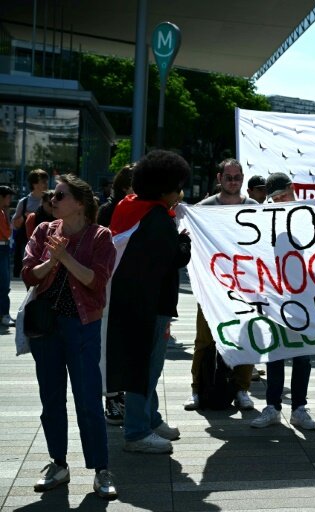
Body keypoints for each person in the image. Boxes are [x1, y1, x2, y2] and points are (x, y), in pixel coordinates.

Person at [22, 174, 118, 499]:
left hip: (82, 325)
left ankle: (101, 469)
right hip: (46, 327)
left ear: (79, 203)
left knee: (88, 398)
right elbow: (27, 273)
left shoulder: (100, 237)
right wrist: (52, 260)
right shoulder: (43, 231)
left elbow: (96, 280)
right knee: (51, 398)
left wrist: (65, 258)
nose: (53, 199)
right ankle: (58, 463)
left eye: (60, 195)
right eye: (53, 195)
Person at [106, 150, 191, 454]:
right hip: (151, 306)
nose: (179, 192)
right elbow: (173, 259)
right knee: (146, 369)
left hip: (128, 302)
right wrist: (184, 242)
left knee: (144, 365)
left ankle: (150, 419)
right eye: (176, 185)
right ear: (163, 186)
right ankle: (137, 431)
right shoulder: (156, 218)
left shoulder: (129, 208)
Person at [183, 158, 255, 412]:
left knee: (246, 337)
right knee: (204, 339)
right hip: (212, 287)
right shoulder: (204, 208)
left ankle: (242, 389)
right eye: (229, 177)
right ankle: (196, 389)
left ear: (242, 178)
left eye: (237, 177)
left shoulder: (255, 208)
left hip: (244, 287)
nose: (233, 182)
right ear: (219, 178)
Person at [250, 172, 315, 431]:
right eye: (274, 198)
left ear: (293, 188)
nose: (278, 201)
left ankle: (299, 408)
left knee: (302, 355)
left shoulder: (309, 213)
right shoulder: (267, 218)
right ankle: (272, 407)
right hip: (276, 294)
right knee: (275, 352)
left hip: (304, 294)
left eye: (281, 196)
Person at [96, 164, 135, 427]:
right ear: (126, 186)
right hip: (110, 287)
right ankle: (111, 398)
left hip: (124, 286)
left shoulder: (129, 207)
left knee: (120, 344)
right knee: (108, 343)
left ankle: (118, 396)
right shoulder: (111, 209)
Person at [12, 168, 49, 277]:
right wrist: (26, 216)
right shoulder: (24, 202)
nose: (46, 184)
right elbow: (15, 225)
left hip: (46, 241)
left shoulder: (51, 200)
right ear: (35, 184)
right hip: (28, 241)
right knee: (29, 270)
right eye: (43, 182)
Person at [0, 186, 14, 327]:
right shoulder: (1, 213)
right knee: (4, 284)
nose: (11, 199)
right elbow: (7, 232)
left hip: (3, 247)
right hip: (1, 246)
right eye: (8, 196)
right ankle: (4, 314)